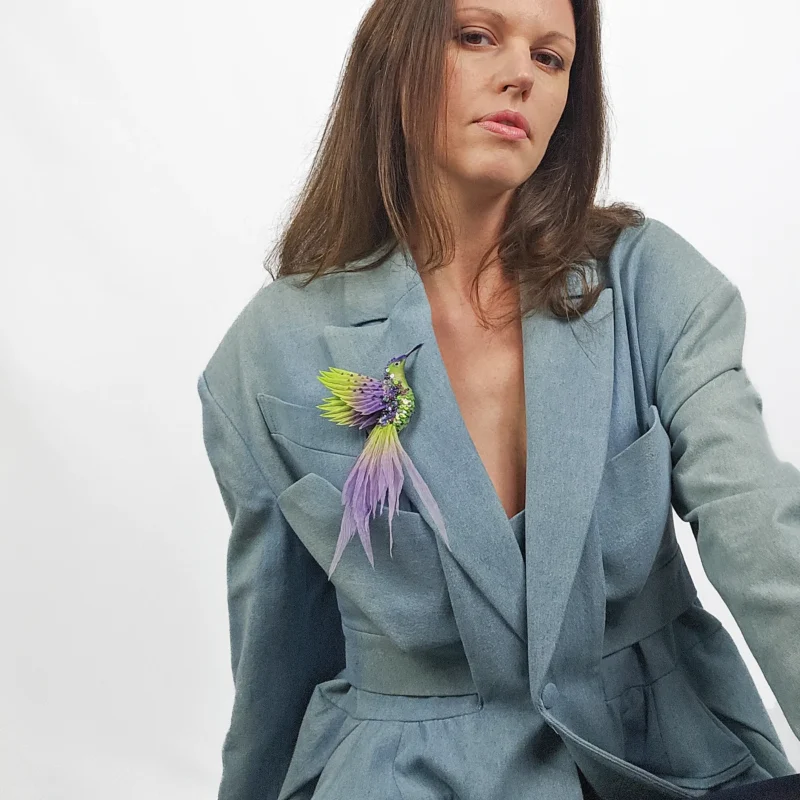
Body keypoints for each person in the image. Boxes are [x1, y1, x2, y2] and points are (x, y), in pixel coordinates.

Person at [196, 1, 800, 798]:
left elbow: (760, 531)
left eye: (552, 59)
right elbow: (278, 659)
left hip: (668, 764)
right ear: (398, 57)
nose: (521, 73)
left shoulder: (650, 281)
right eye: (477, 36)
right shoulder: (269, 352)